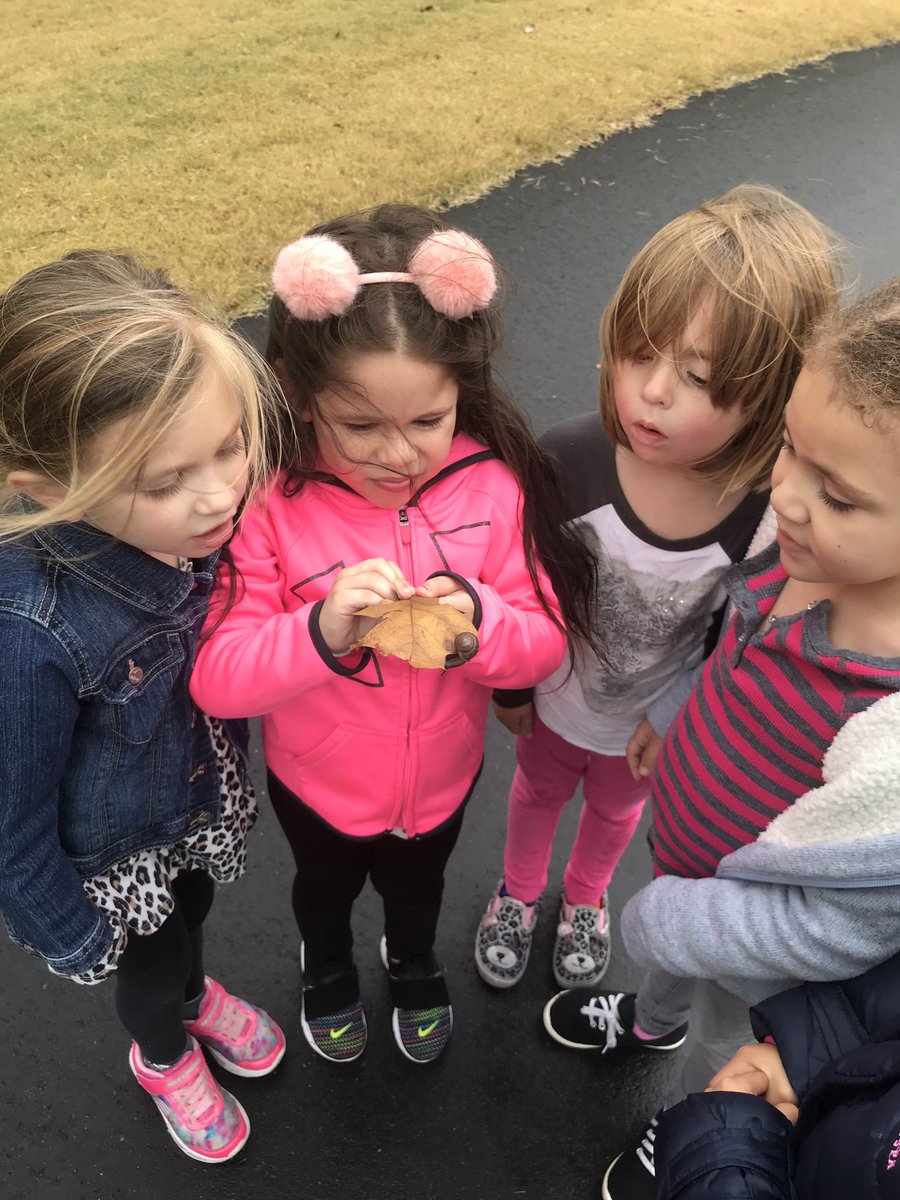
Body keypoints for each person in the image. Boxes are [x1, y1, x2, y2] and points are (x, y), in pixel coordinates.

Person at [190, 204, 600, 1066]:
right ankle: (328, 965)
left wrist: (479, 622)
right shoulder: (271, 504)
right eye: (362, 426)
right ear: (300, 397)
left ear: (462, 394)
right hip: (317, 784)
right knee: (323, 895)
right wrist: (319, 630)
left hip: (443, 782)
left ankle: (412, 960)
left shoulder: (493, 488)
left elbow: (543, 642)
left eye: (427, 421)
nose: (401, 455)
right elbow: (218, 676)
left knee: (420, 895)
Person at [542, 277, 900, 1199]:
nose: (785, 494)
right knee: (669, 981)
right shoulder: (805, 551)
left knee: (724, 1041)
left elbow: (836, 923)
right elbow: (734, 641)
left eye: (838, 495)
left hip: (755, 945)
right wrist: (675, 707)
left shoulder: (889, 717)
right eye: (789, 447)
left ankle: (693, 1123)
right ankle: (645, 1020)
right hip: (686, 858)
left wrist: (667, 917)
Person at [474, 184, 841, 992]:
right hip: (555, 699)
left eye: (699, 376)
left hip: (647, 721)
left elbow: (734, 633)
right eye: (639, 354)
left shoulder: (764, 514)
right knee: (537, 792)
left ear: (770, 395)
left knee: (615, 812)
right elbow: (515, 581)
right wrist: (510, 684)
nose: (654, 392)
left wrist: (676, 711)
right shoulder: (565, 460)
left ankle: (585, 897)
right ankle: (520, 890)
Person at [0, 251, 287, 1164]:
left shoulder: (196, 531)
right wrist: (74, 934)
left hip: (190, 799)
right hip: (118, 855)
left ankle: (192, 997)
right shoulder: (31, 625)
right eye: (163, 483)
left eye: (231, 445)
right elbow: (9, 818)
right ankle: (163, 1054)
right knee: (149, 961)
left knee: (192, 913)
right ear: (50, 491)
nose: (221, 493)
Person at [656, 948, 900, 1199]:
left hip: (751, 1149)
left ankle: (674, 1143)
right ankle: (673, 1128)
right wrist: (806, 1056)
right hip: (801, 1095)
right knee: (710, 1070)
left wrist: (715, 1161)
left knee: (715, 1060)